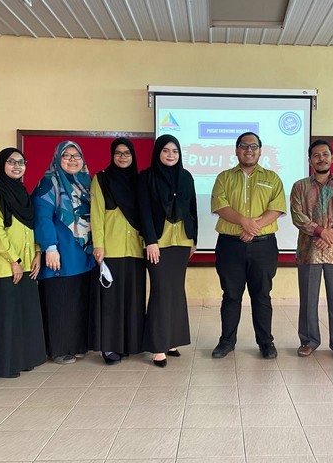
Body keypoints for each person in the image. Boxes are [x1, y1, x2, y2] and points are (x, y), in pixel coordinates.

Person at [210, 132, 286, 359]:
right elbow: (220, 205)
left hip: (264, 246)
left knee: (262, 296)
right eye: (244, 146)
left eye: (254, 146)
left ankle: (266, 343)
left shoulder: (272, 178)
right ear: (236, 150)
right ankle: (226, 342)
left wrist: (253, 227)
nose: (249, 150)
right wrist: (244, 221)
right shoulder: (224, 177)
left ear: (260, 151)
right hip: (230, 246)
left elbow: (277, 208)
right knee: (231, 295)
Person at [0, 148, 46, 378]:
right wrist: (14, 261)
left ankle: (23, 359)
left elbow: (31, 227)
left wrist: (37, 253)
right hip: (5, 266)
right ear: (2, 164)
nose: (17, 166)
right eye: (11, 162)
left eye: (21, 162)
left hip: (27, 265)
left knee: (23, 315)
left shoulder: (24, 194)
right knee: (6, 317)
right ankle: (4, 365)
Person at [32, 141, 96, 364]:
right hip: (60, 253)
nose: (72, 160)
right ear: (57, 158)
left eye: (76, 155)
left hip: (83, 254)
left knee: (78, 301)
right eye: (66, 156)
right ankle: (58, 349)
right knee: (60, 301)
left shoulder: (87, 182)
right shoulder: (48, 183)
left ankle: (77, 345)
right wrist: (50, 247)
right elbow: (42, 217)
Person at [290, 139, 333, 359]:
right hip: (309, 251)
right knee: (308, 301)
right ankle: (308, 341)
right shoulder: (300, 186)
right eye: (316, 155)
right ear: (310, 160)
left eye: (325, 154)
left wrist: (329, 235)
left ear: (332, 158)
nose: (321, 159)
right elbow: (298, 216)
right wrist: (320, 231)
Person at [139, 135, 198, 367]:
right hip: (158, 241)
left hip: (182, 240)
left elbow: (192, 208)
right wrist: (150, 241)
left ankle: (172, 340)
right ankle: (158, 346)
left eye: (175, 151)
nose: (171, 155)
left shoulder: (186, 177)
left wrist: (194, 239)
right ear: (158, 153)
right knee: (161, 291)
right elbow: (143, 210)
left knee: (175, 290)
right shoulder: (147, 177)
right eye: (166, 150)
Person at [89, 137, 146, 365]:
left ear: (133, 156)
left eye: (127, 153)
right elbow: (97, 213)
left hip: (136, 249)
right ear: (112, 155)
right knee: (111, 300)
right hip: (111, 248)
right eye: (118, 153)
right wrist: (98, 244)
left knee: (133, 297)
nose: (123, 157)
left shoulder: (139, 180)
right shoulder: (101, 178)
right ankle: (111, 346)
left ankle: (131, 343)